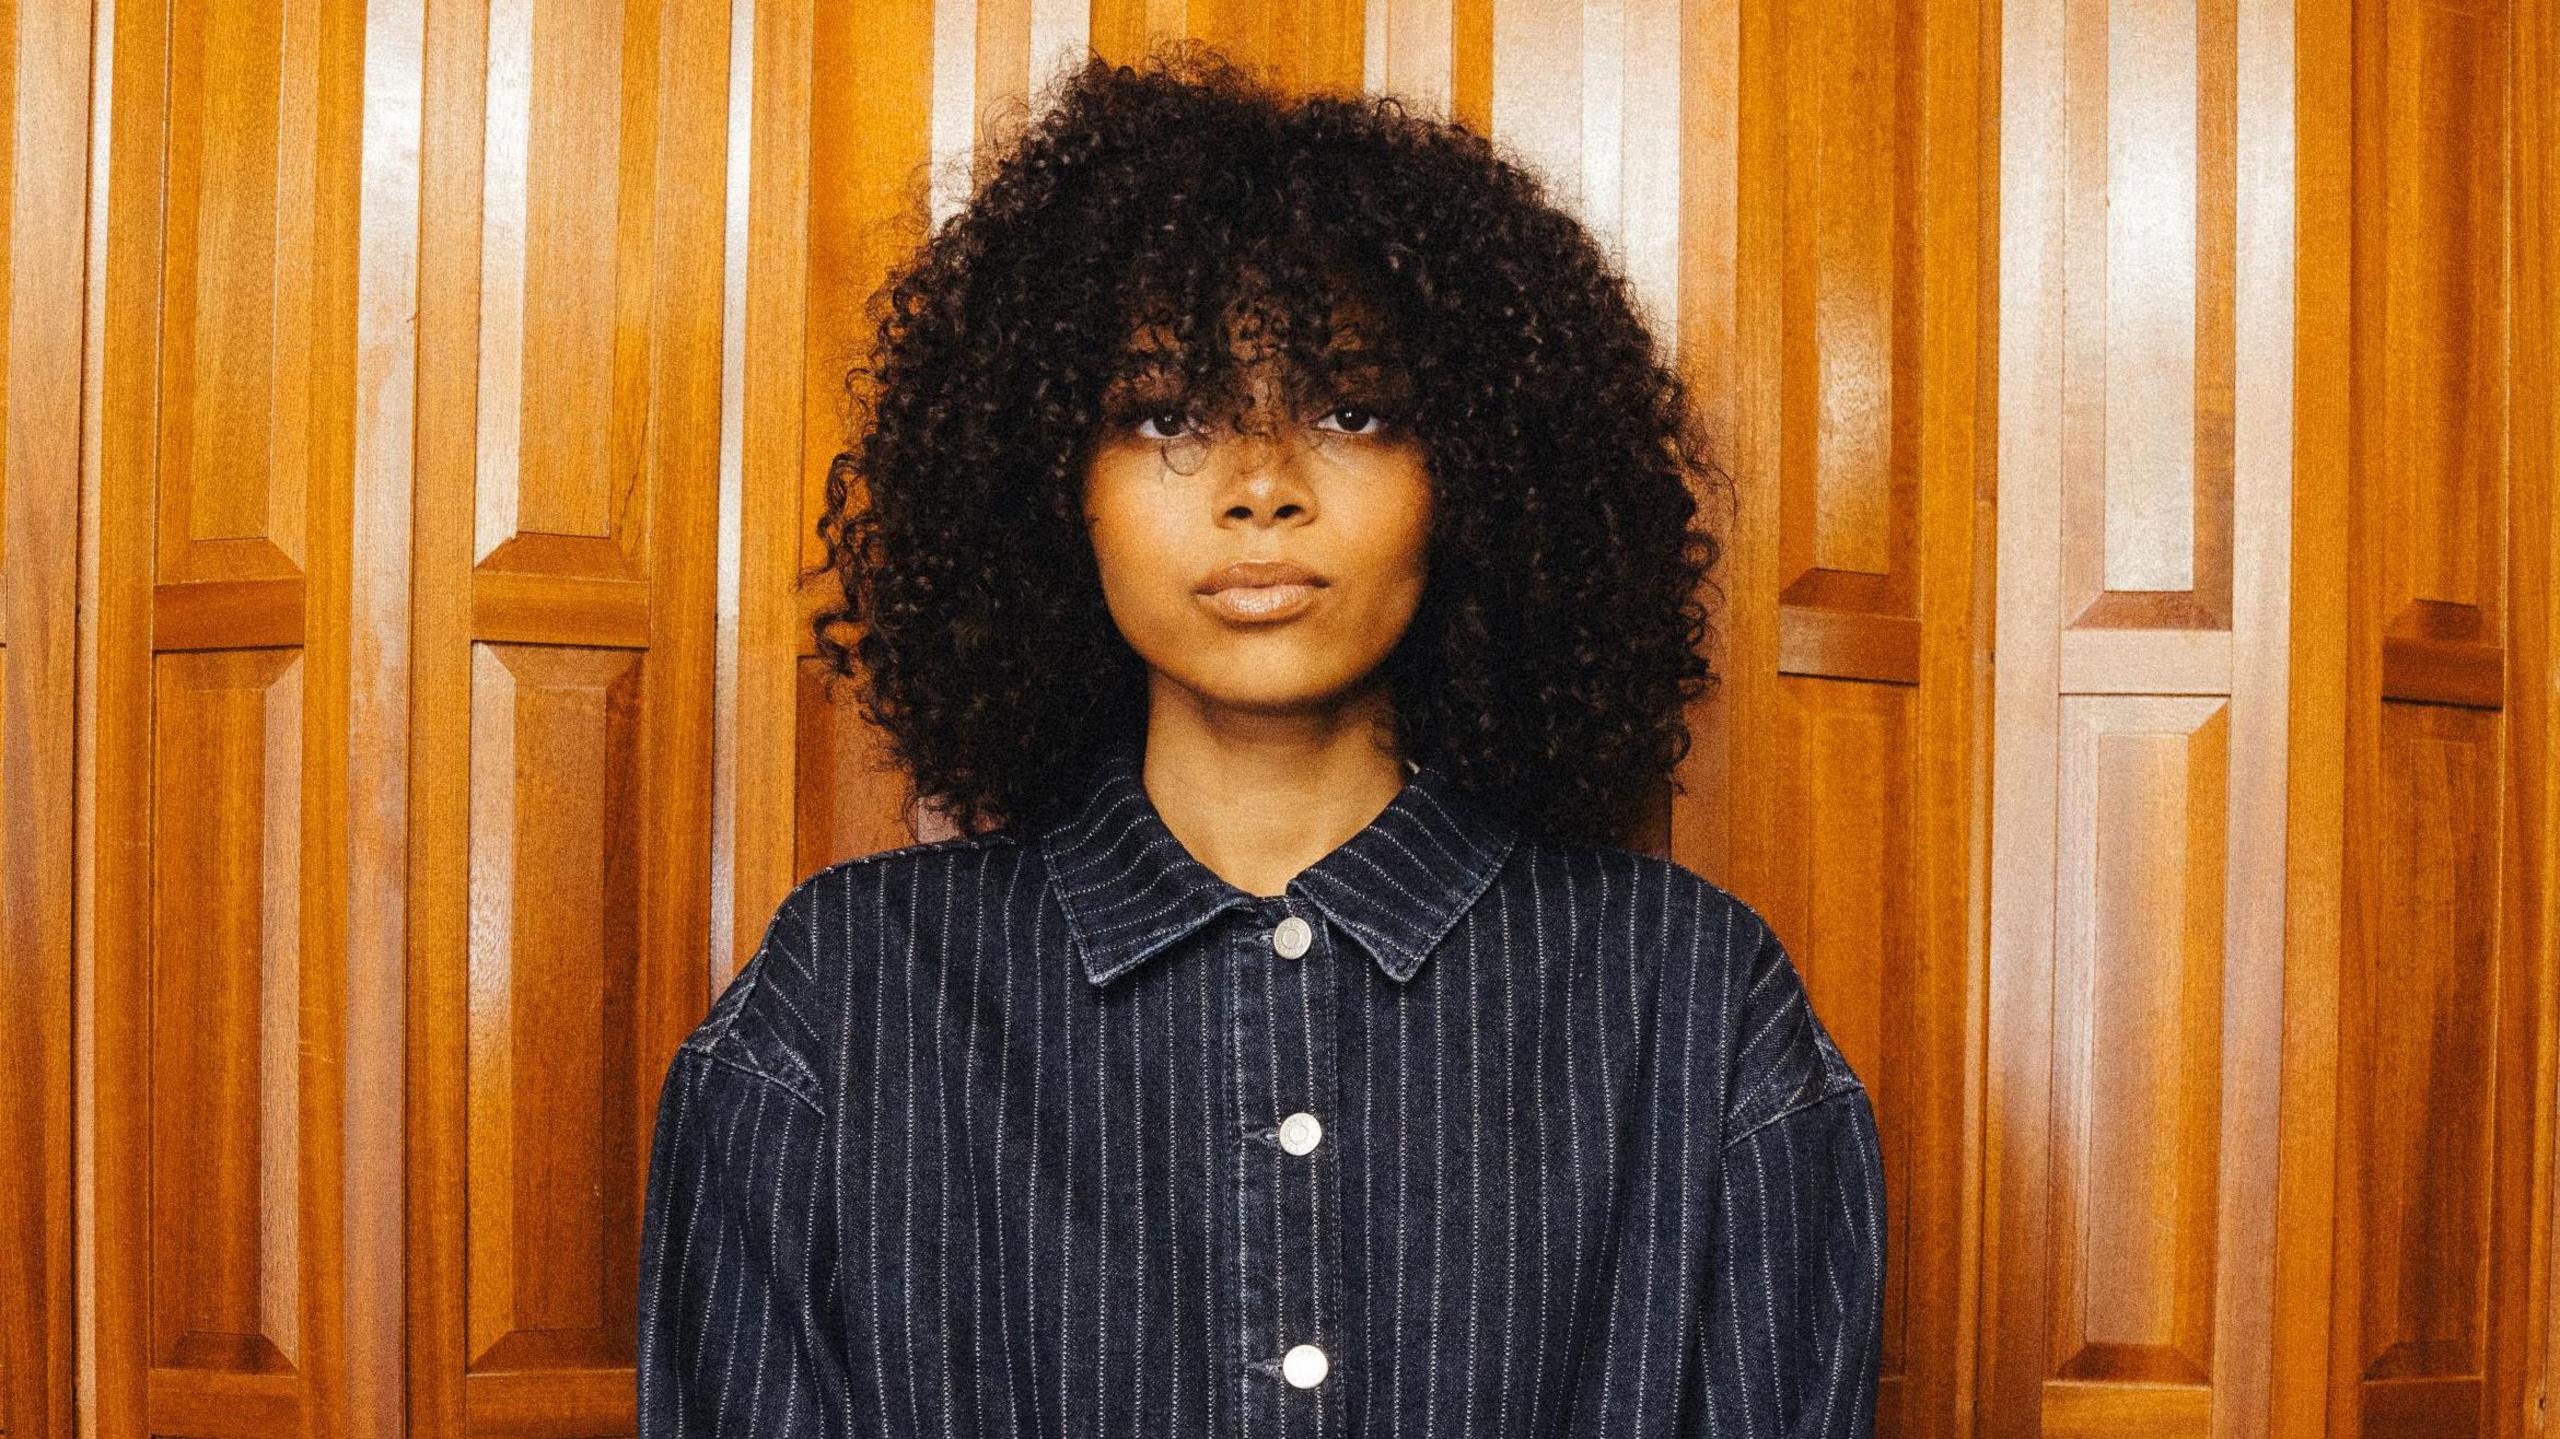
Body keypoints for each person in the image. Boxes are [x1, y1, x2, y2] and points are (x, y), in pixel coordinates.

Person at [636, 41, 1883, 1438]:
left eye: (1350, 409)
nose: (1259, 489)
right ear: (1052, 484)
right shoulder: (843, 1001)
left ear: (1473, 476)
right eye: (1165, 414)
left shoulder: (1698, 1008)